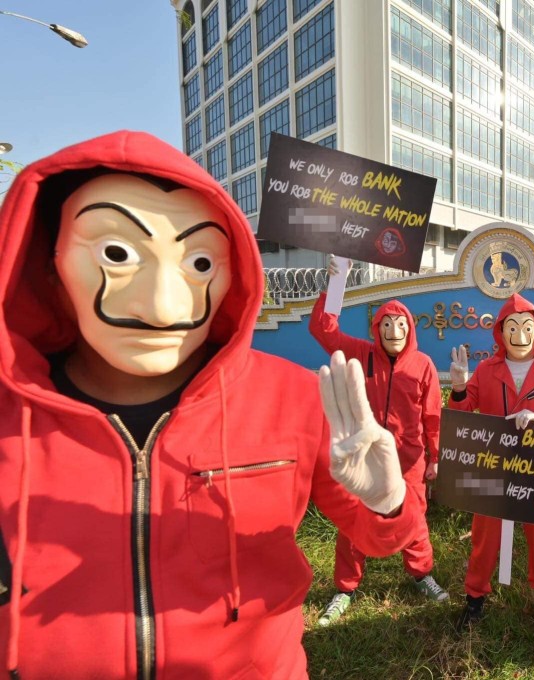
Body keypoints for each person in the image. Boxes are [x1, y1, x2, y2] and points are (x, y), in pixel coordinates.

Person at [0, 131, 423, 678]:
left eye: (199, 262)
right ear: (49, 258)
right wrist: (337, 280)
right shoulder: (352, 358)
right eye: (117, 253)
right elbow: (326, 327)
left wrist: (389, 501)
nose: (161, 304)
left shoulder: (299, 399)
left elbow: (383, 529)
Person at [309, 270, 448, 625]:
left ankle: (421, 574)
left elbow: (433, 414)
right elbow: (323, 331)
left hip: (410, 459)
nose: (393, 332)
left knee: (414, 517)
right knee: (354, 519)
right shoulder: (361, 354)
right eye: (386, 325)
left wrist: (435, 456)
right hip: (366, 456)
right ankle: (345, 587)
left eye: (400, 325)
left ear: (410, 329)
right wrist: (335, 285)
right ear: (377, 330)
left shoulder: (423, 365)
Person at [448, 293, 534, 641]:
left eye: (526, 326)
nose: (520, 334)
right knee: (484, 536)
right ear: (501, 332)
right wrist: (460, 388)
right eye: (512, 327)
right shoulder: (486, 369)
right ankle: (475, 599)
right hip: (494, 466)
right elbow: (463, 416)